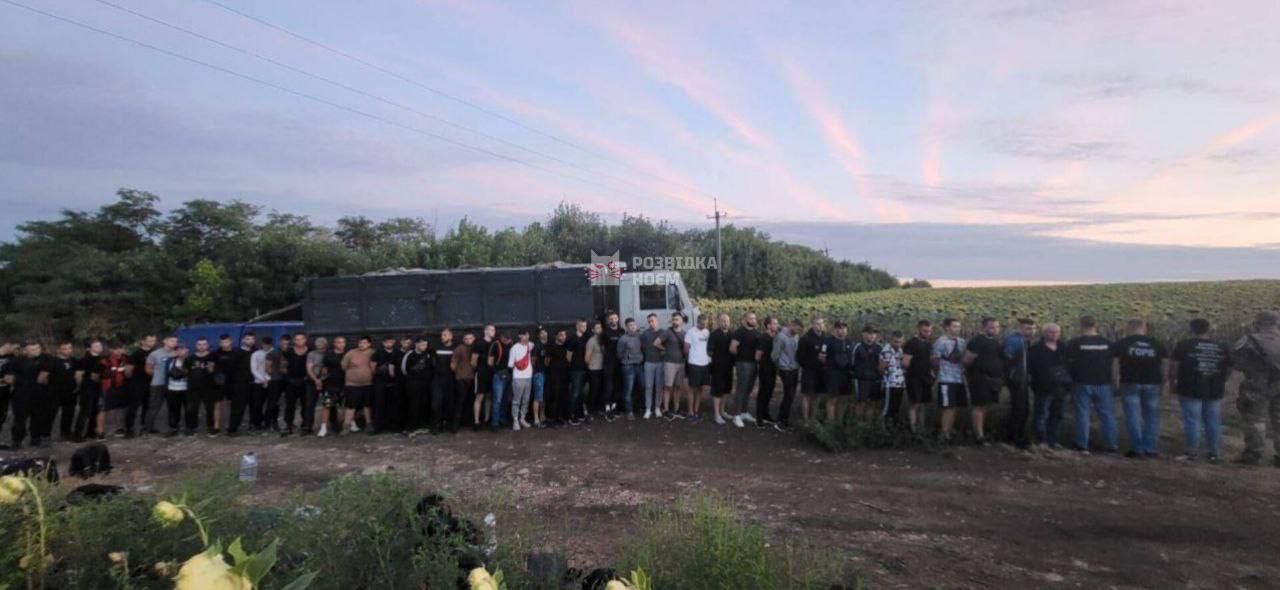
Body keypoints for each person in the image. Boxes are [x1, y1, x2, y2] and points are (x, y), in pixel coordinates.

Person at [1171, 318, 1231, 462]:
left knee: (1192, 420)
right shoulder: (1222, 346)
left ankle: (1191, 452)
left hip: (1189, 387)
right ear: (1208, 329)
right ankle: (1213, 453)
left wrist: (1172, 382)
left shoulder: (1184, 345)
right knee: (1213, 420)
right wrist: (1223, 379)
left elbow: (1174, 366)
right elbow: (1229, 367)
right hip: (1214, 388)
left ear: (1191, 329)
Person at [1112, 319, 1168, 458]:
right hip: (1152, 383)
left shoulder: (1121, 343)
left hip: (1130, 382)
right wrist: (1164, 382)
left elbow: (1115, 364)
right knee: (1151, 417)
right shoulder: (1157, 344)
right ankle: (1149, 448)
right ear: (1144, 328)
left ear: (1128, 328)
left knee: (1133, 416)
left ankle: (1137, 449)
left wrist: (1115, 381)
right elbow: (1165, 365)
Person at [1232, 311, 1280, 466]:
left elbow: (1237, 364)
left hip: (1257, 385)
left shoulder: (1249, 340)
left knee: (1256, 420)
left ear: (1258, 323)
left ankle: (1254, 453)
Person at [1065, 316, 1118, 454]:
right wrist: (1114, 381)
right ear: (1096, 325)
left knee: (1083, 414)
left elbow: (1069, 363)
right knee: (1107, 415)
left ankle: (1082, 445)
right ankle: (1112, 445)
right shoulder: (1107, 343)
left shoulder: (1075, 343)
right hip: (1104, 383)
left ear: (1081, 325)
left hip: (1082, 382)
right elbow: (1114, 364)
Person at [961, 317, 1003, 446]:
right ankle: (979, 436)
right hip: (979, 378)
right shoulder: (977, 341)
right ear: (984, 327)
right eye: (992, 327)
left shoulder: (995, 342)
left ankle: (981, 433)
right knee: (979, 406)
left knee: (985, 406)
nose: (995, 329)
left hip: (992, 380)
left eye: (997, 327)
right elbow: (967, 360)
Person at [1027, 323, 1070, 449]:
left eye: (1057, 332)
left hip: (1061, 388)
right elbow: (1030, 368)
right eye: (1051, 332)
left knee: (1057, 415)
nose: (1054, 334)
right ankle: (1041, 441)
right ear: (1044, 333)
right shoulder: (1035, 349)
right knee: (1041, 414)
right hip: (1043, 387)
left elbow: (1070, 366)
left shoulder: (1064, 347)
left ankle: (1054, 441)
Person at [6, 342, 52, 448]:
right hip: (21, 395)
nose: (36, 351)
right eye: (32, 349)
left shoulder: (46, 358)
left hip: (39, 394)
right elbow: (9, 378)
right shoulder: (17, 360)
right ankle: (16, 441)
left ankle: (35, 439)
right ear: (25, 350)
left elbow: (44, 377)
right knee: (20, 419)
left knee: (38, 418)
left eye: (37, 348)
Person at [1002, 319, 1036, 449]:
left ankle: (1018, 435)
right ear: (1020, 328)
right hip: (1016, 379)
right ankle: (1014, 437)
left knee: (1024, 408)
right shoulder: (1014, 340)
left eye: (1033, 329)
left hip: (1022, 378)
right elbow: (1007, 358)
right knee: (1019, 408)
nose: (1031, 331)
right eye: (1028, 328)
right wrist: (1011, 375)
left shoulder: (1024, 341)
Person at [932, 318, 967, 442]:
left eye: (958, 326)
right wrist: (938, 371)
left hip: (958, 378)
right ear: (947, 327)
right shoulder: (940, 342)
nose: (957, 329)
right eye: (954, 326)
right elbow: (935, 360)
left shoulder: (962, 342)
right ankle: (944, 434)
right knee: (948, 407)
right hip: (946, 378)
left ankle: (949, 431)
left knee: (955, 406)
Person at [901, 320, 934, 434]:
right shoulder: (911, 343)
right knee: (915, 403)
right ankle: (913, 430)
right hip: (914, 378)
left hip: (926, 377)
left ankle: (922, 428)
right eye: (925, 330)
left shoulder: (929, 344)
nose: (927, 333)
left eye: (929, 331)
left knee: (924, 404)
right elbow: (905, 362)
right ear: (918, 329)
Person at [729, 312, 760, 427]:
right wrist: (741, 358)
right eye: (751, 318)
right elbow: (732, 348)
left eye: (754, 318)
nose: (753, 320)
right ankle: (736, 415)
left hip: (753, 364)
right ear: (745, 319)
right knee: (741, 389)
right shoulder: (740, 332)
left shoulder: (756, 332)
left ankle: (744, 412)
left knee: (748, 389)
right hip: (743, 364)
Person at [143, 335, 179, 436]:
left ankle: (172, 428)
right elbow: (148, 369)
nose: (174, 343)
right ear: (165, 341)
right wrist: (157, 375)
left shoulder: (176, 353)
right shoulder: (155, 354)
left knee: (172, 406)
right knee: (154, 406)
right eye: (172, 340)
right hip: (157, 384)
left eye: (176, 341)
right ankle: (148, 428)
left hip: (172, 384)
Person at [341, 336, 377, 435]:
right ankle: (346, 427)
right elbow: (343, 366)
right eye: (360, 342)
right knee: (350, 406)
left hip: (368, 384)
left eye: (364, 343)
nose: (362, 344)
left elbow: (375, 366)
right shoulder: (351, 353)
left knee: (367, 405)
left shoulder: (373, 353)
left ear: (369, 344)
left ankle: (369, 425)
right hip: (352, 384)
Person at [94, 341, 130, 441]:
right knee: (102, 409)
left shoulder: (125, 358)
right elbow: (95, 376)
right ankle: (100, 432)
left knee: (120, 408)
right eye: (116, 349)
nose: (118, 351)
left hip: (121, 387)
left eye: (120, 348)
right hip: (107, 388)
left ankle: (119, 429)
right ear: (111, 350)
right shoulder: (104, 360)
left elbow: (128, 372)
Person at [770, 319, 801, 430]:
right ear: (791, 325)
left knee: (791, 395)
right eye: (797, 328)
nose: (798, 331)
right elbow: (774, 355)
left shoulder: (795, 336)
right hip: (786, 369)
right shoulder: (781, 337)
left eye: (799, 330)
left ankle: (785, 419)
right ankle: (780, 421)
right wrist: (781, 367)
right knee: (788, 395)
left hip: (794, 368)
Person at [124, 335, 156, 437]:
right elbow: (128, 371)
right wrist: (133, 381)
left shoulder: (154, 353)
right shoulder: (136, 354)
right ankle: (129, 429)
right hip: (137, 384)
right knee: (133, 407)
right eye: (150, 341)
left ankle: (145, 427)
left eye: (154, 341)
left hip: (151, 384)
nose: (152, 343)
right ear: (143, 342)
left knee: (148, 406)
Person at [73, 339, 105, 441]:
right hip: (87, 388)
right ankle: (78, 435)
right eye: (96, 346)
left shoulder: (102, 359)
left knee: (95, 411)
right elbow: (79, 375)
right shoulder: (85, 359)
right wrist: (80, 386)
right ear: (89, 348)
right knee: (85, 411)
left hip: (98, 388)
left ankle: (90, 432)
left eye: (100, 345)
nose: (99, 347)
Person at [657, 312, 687, 420]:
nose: (675, 321)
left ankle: (676, 409)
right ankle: (666, 409)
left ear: (681, 321)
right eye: (673, 319)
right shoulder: (667, 332)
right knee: (668, 387)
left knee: (678, 387)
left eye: (677, 319)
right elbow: (656, 343)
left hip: (681, 363)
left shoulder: (684, 333)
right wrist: (665, 349)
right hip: (669, 363)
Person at [225, 332, 257, 436]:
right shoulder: (237, 353)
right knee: (238, 407)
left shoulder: (256, 352)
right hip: (239, 385)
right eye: (248, 339)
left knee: (255, 406)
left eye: (252, 339)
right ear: (243, 340)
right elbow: (230, 371)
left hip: (254, 384)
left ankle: (253, 426)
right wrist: (229, 387)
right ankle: (232, 429)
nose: (250, 341)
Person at [796, 317, 826, 423]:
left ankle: (814, 418)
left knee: (817, 395)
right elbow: (799, 357)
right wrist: (811, 363)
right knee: (807, 395)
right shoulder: (805, 339)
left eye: (821, 323)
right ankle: (806, 420)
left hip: (821, 372)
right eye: (817, 324)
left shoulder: (825, 338)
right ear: (812, 325)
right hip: (809, 371)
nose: (820, 326)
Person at [821, 321, 852, 423]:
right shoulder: (828, 341)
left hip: (846, 375)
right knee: (832, 399)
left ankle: (839, 422)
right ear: (835, 329)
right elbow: (822, 357)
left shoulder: (850, 342)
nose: (842, 330)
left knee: (844, 399)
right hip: (833, 374)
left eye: (844, 328)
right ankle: (831, 423)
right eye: (839, 328)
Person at [280, 333, 311, 436]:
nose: (299, 341)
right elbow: (283, 367)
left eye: (301, 339)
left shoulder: (310, 351)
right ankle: (288, 426)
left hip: (306, 382)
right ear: (294, 341)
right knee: (290, 406)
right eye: (297, 339)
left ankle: (305, 426)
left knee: (306, 405)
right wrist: (288, 379)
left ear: (305, 340)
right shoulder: (288, 352)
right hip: (291, 382)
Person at [851, 326, 884, 422]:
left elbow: (882, 363)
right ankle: (859, 423)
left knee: (873, 403)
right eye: (870, 333)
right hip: (861, 379)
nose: (872, 336)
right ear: (863, 334)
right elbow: (852, 363)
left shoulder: (879, 347)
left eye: (874, 333)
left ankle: (868, 424)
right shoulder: (857, 347)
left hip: (875, 379)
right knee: (861, 402)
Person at [402, 335, 433, 435]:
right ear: (416, 344)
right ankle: (410, 427)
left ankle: (421, 425)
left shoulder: (427, 355)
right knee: (413, 405)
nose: (424, 346)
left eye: (426, 344)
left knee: (423, 404)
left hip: (424, 384)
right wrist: (413, 378)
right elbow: (404, 370)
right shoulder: (409, 354)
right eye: (422, 344)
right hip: (413, 384)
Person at [316, 336, 347, 437]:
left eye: (342, 342)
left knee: (347, 405)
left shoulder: (348, 354)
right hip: (331, 384)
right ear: (334, 343)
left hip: (346, 384)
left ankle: (349, 424)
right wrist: (321, 381)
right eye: (338, 342)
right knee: (327, 405)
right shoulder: (329, 355)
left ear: (345, 344)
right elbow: (324, 370)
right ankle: (323, 428)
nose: (340, 344)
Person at [683, 315, 712, 422]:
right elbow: (686, 349)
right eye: (702, 323)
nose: (704, 325)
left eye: (706, 324)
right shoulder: (691, 332)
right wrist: (691, 359)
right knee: (692, 388)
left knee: (700, 388)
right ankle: (690, 411)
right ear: (697, 322)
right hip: (694, 364)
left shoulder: (707, 332)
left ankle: (696, 410)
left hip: (705, 364)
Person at [188, 337, 219, 436]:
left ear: (208, 345)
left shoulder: (213, 356)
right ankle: (192, 428)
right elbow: (186, 371)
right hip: (194, 388)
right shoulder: (190, 358)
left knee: (210, 408)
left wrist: (211, 368)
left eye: (204, 344)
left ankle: (211, 427)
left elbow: (215, 372)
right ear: (196, 345)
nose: (202, 346)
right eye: (199, 344)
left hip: (209, 388)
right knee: (193, 409)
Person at [372, 336, 403, 434]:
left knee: (394, 405)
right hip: (380, 382)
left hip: (395, 382)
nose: (388, 343)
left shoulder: (398, 352)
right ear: (383, 343)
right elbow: (372, 367)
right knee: (379, 404)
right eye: (386, 341)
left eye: (390, 341)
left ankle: (394, 427)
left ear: (393, 342)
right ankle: (378, 427)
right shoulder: (378, 352)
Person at [708, 314, 735, 424]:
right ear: (718, 322)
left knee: (726, 390)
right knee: (717, 390)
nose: (725, 323)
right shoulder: (714, 334)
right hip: (718, 367)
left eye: (727, 321)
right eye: (723, 321)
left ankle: (722, 411)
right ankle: (716, 414)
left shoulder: (732, 334)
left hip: (729, 367)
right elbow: (709, 351)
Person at [50, 341, 80, 441]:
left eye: (69, 348)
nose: (68, 350)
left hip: (70, 391)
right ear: (58, 349)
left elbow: (78, 374)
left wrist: (77, 385)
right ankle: (44, 434)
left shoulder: (74, 360)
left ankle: (65, 433)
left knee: (69, 413)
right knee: (50, 413)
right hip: (55, 391)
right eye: (65, 348)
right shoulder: (53, 361)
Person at [754, 316, 779, 427]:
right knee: (763, 393)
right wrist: (763, 365)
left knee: (769, 392)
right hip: (765, 369)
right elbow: (757, 355)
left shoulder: (775, 337)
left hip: (773, 369)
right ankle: (759, 418)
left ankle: (765, 414)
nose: (776, 326)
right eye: (774, 323)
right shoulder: (763, 338)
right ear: (768, 325)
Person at [618, 318, 644, 420]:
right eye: (630, 325)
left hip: (639, 366)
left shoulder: (640, 337)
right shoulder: (623, 339)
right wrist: (626, 359)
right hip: (627, 367)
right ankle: (629, 412)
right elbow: (619, 354)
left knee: (642, 386)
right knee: (628, 390)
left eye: (634, 325)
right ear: (626, 327)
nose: (632, 327)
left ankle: (641, 408)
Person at [508, 330, 535, 430]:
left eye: (528, 335)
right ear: (520, 336)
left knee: (526, 400)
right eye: (525, 335)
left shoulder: (531, 345)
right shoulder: (514, 348)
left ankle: (522, 419)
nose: (527, 337)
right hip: (518, 378)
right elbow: (510, 365)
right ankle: (515, 420)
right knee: (516, 400)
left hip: (529, 377)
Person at [879, 331, 907, 425]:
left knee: (896, 408)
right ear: (891, 340)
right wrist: (887, 376)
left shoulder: (900, 350)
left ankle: (892, 429)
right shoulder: (886, 350)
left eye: (900, 342)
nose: (898, 344)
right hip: (889, 384)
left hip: (900, 384)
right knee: (887, 408)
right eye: (896, 342)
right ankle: (882, 428)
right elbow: (881, 368)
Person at [640, 314, 664, 419]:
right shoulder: (645, 334)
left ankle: (657, 408)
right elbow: (642, 348)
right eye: (649, 321)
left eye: (653, 321)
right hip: (648, 363)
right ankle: (648, 409)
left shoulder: (663, 332)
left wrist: (663, 350)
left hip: (660, 363)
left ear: (657, 321)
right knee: (649, 387)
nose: (651, 323)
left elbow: (666, 346)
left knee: (659, 387)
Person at [601, 312, 625, 417]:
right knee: (608, 386)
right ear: (609, 320)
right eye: (611, 318)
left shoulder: (622, 331)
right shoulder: (605, 332)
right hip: (609, 363)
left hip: (620, 363)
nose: (613, 320)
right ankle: (607, 407)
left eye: (615, 318)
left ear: (618, 319)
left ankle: (615, 407)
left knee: (618, 386)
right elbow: (602, 348)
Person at [164, 345, 191, 436]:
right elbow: (166, 373)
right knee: (173, 410)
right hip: (172, 389)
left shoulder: (190, 360)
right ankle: (173, 428)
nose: (180, 352)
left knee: (189, 409)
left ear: (186, 350)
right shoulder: (170, 361)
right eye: (178, 350)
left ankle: (189, 428)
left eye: (182, 350)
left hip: (186, 389)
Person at [303, 337, 328, 436]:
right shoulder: (311, 354)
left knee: (328, 403)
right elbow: (309, 368)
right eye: (318, 343)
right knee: (309, 404)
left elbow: (328, 369)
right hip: (312, 381)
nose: (320, 344)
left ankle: (333, 424)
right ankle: (308, 426)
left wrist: (321, 379)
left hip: (326, 381)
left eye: (322, 343)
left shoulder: (328, 354)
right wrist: (316, 380)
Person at [544, 330, 570, 425]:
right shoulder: (551, 347)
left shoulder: (565, 347)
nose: (563, 337)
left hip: (564, 375)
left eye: (565, 335)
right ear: (557, 336)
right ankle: (551, 419)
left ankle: (560, 417)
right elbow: (546, 362)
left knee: (562, 396)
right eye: (561, 335)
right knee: (554, 396)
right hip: (554, 376)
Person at [453, 332, 477, 432]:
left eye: (470, 338)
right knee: (460, 402)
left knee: (470, 401)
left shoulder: (476, 349)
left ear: (474, 338)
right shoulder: (459, 349)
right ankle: (456, 426)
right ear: (463, 340)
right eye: (466, 338)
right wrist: (458, 374)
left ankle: (467, 422)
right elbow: (453, 364)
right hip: (461, 379)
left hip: (472, 378)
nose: (468, 340)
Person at [567, 319, 589, 423]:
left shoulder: (586, 337)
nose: (583, 328)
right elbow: (568, 357)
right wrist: (574, 366)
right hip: (576, 370)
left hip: (585, 369)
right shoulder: (572, 339)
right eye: (581, 326)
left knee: (581, 393)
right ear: (577, 326)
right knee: (575, 393)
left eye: (585, 326)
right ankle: (571, 416)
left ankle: (580, 414)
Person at [489, 331, 512, 429]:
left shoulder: (511, 344)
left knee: (506, 399)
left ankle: (502, 420)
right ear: (502, 338)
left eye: (509, 339)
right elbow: (490, 362)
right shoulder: (495, 345)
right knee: (497, 400)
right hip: (499, 375)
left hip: (509, 374)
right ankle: (495, 423)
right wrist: (497, 372)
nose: (508, 341)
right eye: (506, 339)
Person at [249, 338, 273, 432]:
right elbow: (253, 369)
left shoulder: (275, 353)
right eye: (264, 344)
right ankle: (257, 423)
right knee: (257, 405)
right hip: (259, 382)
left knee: (272, 405)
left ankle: (269, 423)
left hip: (272, 382)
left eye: (268, 344)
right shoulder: (256, 354)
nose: (266, 346)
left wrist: (269, 379)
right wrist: (262, 379)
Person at [475, 325, 496, 426]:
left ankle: (487, 419)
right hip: (482, 373)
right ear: (486, 331)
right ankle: (476, 421)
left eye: (494, 330)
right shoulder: (479, 343)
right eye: (491, 330)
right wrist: (479, 370)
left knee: (489, 396)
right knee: (480, 397)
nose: (493, 331)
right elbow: (473, 360)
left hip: (491, 374)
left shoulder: (494, 343)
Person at [585, 322, 605, 421]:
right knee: (593, 391)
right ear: (592, 330)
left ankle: (599, 410)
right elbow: (587, 357)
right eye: (597, 327)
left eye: (600, 327)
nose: (600, 329)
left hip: (602, 369)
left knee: (600, 390)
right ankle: (590, 412)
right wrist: (590, 367)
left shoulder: (602, 340)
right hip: (593, 370)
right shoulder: (591, 341)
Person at [531, 328, 548, 427]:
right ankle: (536, 419)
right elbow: (533, 361)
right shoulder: (536, 346)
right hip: (538, 373)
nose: (545, 333)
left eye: (545, 332)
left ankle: (542, 416)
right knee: (538, 396)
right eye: (542, 333)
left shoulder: (549, 345)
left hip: (547, 373)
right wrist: (535, 372)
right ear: (539, 335)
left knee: (543, 396)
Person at [0, 342, 14, 446]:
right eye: (9, 346)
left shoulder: (11, 357)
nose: (11, 348)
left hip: (5, 391)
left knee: (2, 415)